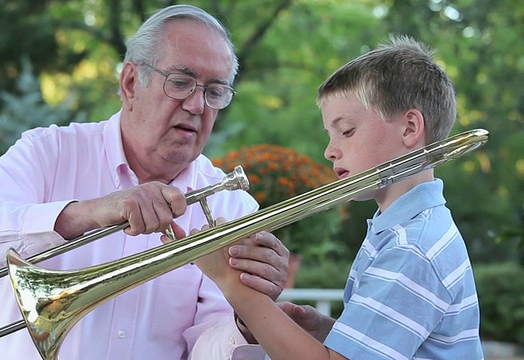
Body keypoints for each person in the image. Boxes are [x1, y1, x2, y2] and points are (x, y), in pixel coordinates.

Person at [0, 4, 290, 359]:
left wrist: (246, 318)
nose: (198, 106)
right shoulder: (49, 151)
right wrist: (86, 213)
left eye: (214, 91)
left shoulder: (232, 206)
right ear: (131, 82)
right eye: (181, 83)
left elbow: (208, 351)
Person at [183, 35, 483, 359]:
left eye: (347, 131)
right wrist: (328, 331)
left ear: (409, 128)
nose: (330, 151)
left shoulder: (412, 247)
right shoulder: (400, 230)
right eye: (330, 135)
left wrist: (234, 286)